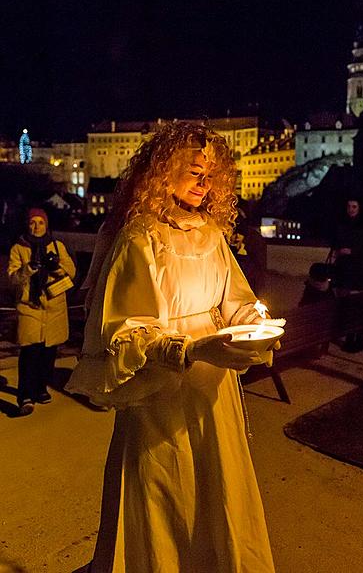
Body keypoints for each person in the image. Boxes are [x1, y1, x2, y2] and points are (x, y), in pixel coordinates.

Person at [66, 122, 279, 572]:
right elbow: (124, 331)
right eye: (193, 172)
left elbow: (237, 301)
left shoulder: (212, 234)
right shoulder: (142, 237)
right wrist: (193, 351)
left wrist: (254, 328)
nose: (204, 184)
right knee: (167, 487)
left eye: (210, 175)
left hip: (212, 396)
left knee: (216, 485)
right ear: (163, 174)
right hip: (160, 394)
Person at [7, 208, 76, 416]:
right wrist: (28, 269)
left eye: (41, 223)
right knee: (29, 353)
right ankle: (24, 395)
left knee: (48, 353)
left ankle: (40, 388)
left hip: (54, 307)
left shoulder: (57, 246)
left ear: (46, 225)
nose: (36, 227)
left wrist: (55, 267)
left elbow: (71, 271)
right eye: (32, 223)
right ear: (27, 225)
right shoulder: (19, 248)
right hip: (31, 307)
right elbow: (12, 278)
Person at [331, 197, 363, 351]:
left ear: (359, 208)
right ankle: (351, 336)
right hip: (346, 272)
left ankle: (358, 337)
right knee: (349, 304)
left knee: (358, 305)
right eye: (349, 206)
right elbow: (337, 244)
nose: (351, 209)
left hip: (360, 274)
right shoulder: (343, 224)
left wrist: (352, 251)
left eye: (354, 206)